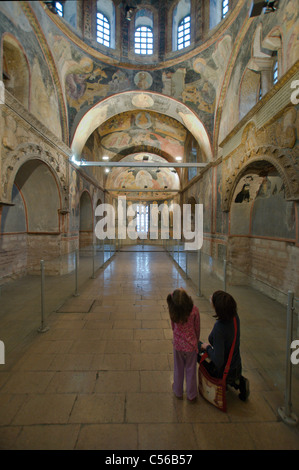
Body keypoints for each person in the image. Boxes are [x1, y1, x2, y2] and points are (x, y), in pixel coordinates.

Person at [198, 290, 249, 401]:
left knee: (197, 348)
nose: (211, 297)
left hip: (225, 370)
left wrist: (207, 347)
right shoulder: (235, 317)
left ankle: (221, 383)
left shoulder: (219, 327)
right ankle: (239, 382)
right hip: (236, 366)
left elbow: (218, 360)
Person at [167, 288, 200, 402]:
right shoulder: (194, 310)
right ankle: (191, 394)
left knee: (178, 368)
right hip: (191, 345)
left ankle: (178, 390)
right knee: (191, 369)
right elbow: (197, 327)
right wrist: (196, 340)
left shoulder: (173, 311)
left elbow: (173, 326)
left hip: (178, 345)